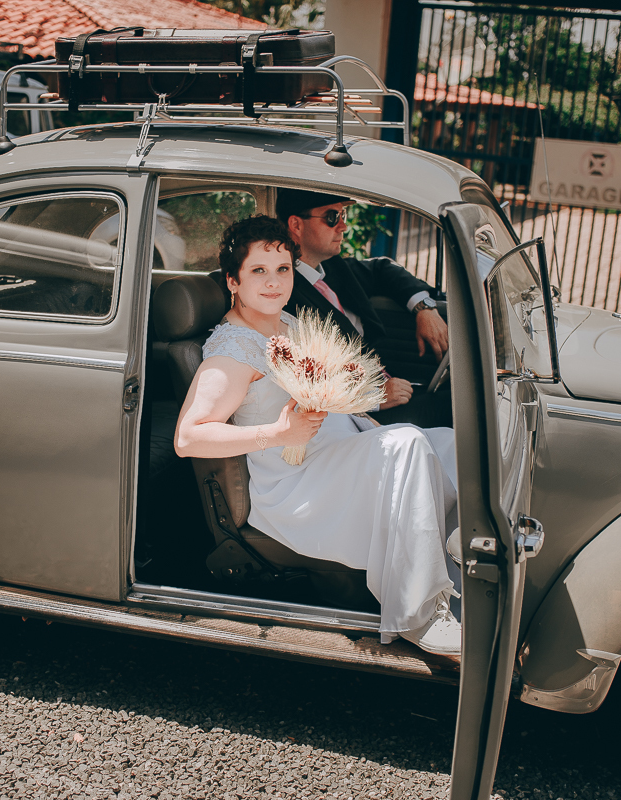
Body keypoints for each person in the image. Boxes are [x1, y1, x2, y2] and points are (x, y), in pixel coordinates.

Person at [174, 215, 462, 656]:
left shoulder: (286, 322)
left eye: (283, 269)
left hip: (335, 447)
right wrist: (277, 431)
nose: (274, 282)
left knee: (447, 441)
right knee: (407, 445)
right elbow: (188, 438)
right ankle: (420, 611)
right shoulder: (233, 350)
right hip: (294, 479)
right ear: (233, 280)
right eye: (258, 271)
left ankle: (458, 567)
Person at [276, 189, 450, 424]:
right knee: (457, 410)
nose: (343, 226)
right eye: (331, 218)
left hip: (386, 380)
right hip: (353, 412)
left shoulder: (332, 267)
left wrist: (423, 307)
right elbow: (308, 373)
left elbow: (383, 269)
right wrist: (374, 396)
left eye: (342, 215)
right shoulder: (283, 295)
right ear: (296, 225)